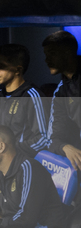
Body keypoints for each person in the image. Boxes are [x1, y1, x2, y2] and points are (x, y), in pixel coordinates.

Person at [0, 44, 49, 157]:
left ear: (18, 70)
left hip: (22, 166)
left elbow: (44, 138)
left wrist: (12, 152)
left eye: (2, 66)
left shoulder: (32, 96)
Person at [44, 31, 81, 170]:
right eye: (46, 55)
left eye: (51, 54)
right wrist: (65, 147)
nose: (46, 60)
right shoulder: (60, 93)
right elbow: (53, 138)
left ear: (67, 52)